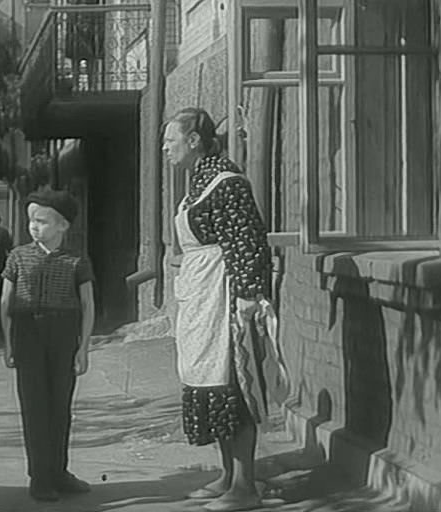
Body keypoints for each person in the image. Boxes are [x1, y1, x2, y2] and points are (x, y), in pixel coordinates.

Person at [163, 107, 272, 512]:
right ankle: (227, 475)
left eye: (170, 140)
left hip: (223, 296)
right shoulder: (197, 184)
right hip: (200, 295)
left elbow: (247, 240)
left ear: (193, 141)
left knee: (232, 384)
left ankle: (245, 485)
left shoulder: (227, 182)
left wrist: (248, 295)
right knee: (210, 384)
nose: (165, 148)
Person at [0, 188, 95, 502]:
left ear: (63, 225)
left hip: (64, 333)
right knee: (34, 406)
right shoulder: (17, 257)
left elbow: (87, 304)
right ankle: (40, 477)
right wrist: (8, 342)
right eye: (31, 220)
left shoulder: (76, 260)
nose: (34, 227)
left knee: (60, 406)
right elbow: (5, 301)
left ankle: (59, 473)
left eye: (42, 221)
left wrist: (83, 347)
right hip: (28, 332)